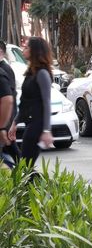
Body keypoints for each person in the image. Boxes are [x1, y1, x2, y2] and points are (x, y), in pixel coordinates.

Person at [7, 37, 54, 166]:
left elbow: (47, 102)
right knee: (25, 164)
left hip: (37, 125)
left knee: (25, 165)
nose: (23, 50)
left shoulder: (42, 73)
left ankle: (34, 185)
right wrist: (15, 123)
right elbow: (25, 102)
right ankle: (31, 184)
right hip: (30, 123)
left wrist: (46, 130)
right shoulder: (31, 74)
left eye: (26, 47)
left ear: (35, 51)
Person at [0, 41, 19, 167]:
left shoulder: (4, 70)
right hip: (5, 121)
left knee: (13, 153)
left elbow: (9, 98)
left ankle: (30, 176)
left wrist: (4, 126)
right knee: (12, 152)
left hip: (5, 120)